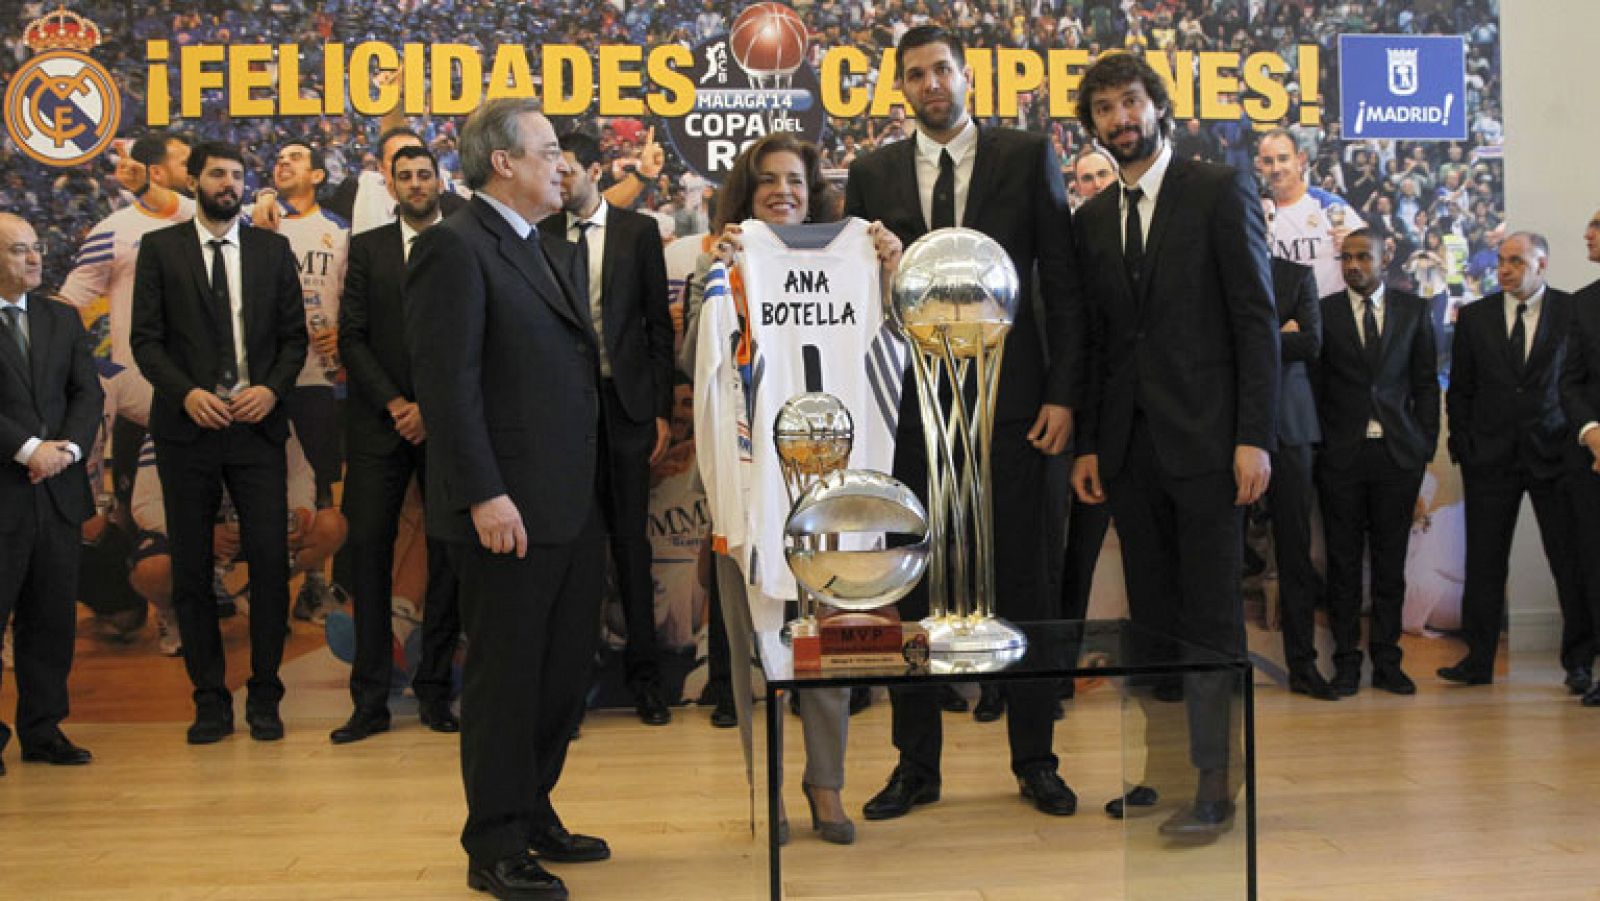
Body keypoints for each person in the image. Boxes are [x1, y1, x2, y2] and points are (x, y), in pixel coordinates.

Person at [844, 25, 1084, 821]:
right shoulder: (873, 172)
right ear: (902, 88)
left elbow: (1062, 281)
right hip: (911, 411)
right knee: (913, 581)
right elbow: (857, 298)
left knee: (1027, 579)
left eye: (942, 69)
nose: (932, 83)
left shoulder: (1027, 155)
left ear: (965, 74)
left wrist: (1063, 393)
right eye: (916, 74)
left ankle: (1036, 757)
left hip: (1016, 407)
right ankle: (916, 762)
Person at [1070, 52, 1278, 836]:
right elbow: (1099, 343)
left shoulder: (1217, 188)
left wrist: (1254, 436)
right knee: (1153, 622)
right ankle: (1165, 774)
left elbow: (1256, 318)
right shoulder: (1092, 218)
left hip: (1212, 447)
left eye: (1130, 102)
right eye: (1104, 109)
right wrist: (1091, 445)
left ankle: (1217, 786)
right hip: (1129, 452)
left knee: (1212, 620)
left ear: (1157, 105)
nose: (1119, 119)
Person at [405, 98, 605, 901]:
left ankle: (531, 810)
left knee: (561, 674)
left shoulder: (543, 244)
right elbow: (447, 388)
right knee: (506, 680)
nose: (563, 164)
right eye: (549, 150)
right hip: (506, 509)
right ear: (504, 163)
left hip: (568, 501)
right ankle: (493, 843)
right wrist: (485, 493)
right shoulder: (453, 247)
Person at [682, 132, 903, 845]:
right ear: (746, 195)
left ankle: (826, 782)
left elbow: (898, 346)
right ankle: (770, 785)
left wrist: (888, 271)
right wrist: (716, 279)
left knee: (830, 638)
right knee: (759, 643)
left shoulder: (858, 258)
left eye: (797, 182)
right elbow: (696, 363)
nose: (784, 192)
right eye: (768, 181)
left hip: (837, 488)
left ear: (815, 195)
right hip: (755, 484)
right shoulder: (726, 260)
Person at [130, 141, 308, 745]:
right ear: (193, 181)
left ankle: (265, 696)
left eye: (236, 175)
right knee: (191, 568)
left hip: (256, 428)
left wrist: (271, 390)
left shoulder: (271, 250)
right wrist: (185, 394)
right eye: (216, 174)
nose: (228, 184)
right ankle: (208, 700)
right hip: (188, 430)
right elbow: (146, 341)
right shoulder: (160, 249)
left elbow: (294, 338)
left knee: (269, 562)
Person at [538, 132, 675, 726]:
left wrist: (662, 410)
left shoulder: (636, 232)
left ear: (595, 171)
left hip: (626, 407)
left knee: (630, 544)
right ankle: (570, 691)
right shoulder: (540, 233)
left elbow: (657, 325)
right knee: (573, 552)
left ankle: (646, 680)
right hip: (563, 413)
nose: (558, 180)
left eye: (567, 170)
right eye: (552, 170)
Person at [331, 144, 462, 744]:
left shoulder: (462, 243)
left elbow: (471, 337)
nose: (415, 184)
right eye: (404, 176)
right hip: (377, 424)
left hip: (447, 424)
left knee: (448, 556)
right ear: (391, 185)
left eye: (424, 175)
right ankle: (369, 701)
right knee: (369, 557)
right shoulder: (367, 248)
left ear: (440, 181)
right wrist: (397, 405)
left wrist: (431, 408)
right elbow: (351, 337)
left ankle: (436, 691)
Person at [1440, 232, 1586, 690]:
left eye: (1517, 261)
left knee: (1568, 561)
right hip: (1490, 457)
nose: (1504, 270)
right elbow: (1461, 389)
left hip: (1555, 454)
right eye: (1502, 261)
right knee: (1484, 563)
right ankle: (1477, 660)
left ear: (1542, 264)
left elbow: (1580, 381)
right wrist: (1464, 443)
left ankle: (1579, 662)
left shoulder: (1572, 311)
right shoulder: (1475, 316)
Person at [1315, 229, 1438, 696]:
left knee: (1390, 564)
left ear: (1385, 259)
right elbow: (1315, 386)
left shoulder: (1414, 311)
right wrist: (1321, 448)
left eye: (1363, 257)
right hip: (1341, 455)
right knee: (1343, 564)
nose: (1353, 265)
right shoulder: (1324, 312)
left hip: (1397, 455)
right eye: (1346, 257)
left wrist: (1422, 446)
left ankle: (1387, 661)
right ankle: (1346, 663)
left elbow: (1425, 384)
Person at [0, 213, 103, 773]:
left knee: (50, 619)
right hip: (6, 488)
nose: (35, 257)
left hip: (58, 491)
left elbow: (87, 394)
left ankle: (43, 730)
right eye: (19, 249)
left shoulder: (60, 318)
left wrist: (68, 451)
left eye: (36, 246)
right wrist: (27, 449)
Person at [55, 132, 193, 519]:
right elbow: (69, 303)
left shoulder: (211, 224)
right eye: (185, 163)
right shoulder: (113, 230)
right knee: (134, 515)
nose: (195, 171)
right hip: (139, 396)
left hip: (203, 389)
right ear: (157, 172)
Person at [250, 139, 351, 622]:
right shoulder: (255, 221)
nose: (283, 163)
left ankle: (312, 584)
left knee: (321, 486)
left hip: (315, 376)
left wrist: (343, 333)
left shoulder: (338, 230)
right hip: (261, 376)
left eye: (295, 158)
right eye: (279, 159)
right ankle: (250, 578)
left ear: (317, 176)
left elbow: (352, 295)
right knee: (259, 480)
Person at [1262, 195, 1333, 700]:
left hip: (1291, 427)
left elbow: (1310, 344)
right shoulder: (1210, 272)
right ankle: (1222, 669)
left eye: (1268, 216)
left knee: (1295, 552)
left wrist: (1256, 336)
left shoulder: (1296, 275)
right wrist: (1278, 331)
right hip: (1226, 430)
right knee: (1221, 555)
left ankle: (1304, 665)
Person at [1561, 207, 1600, 706]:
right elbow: (1569, 383)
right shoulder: (1582, 305)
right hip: (1592, 459)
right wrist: (1593, 433)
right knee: (1593, 565)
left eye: (1597, 225)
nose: (1587, 234)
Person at [1257, 128, 1364, 296]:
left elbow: (1373, 257)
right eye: (1268, 161)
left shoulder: (1329, 207)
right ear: (1259, 165)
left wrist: (1357, 246)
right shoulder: (1253, 215)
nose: (1276, 168)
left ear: (1300, 159)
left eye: (1283, 159)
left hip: (1329, 309)